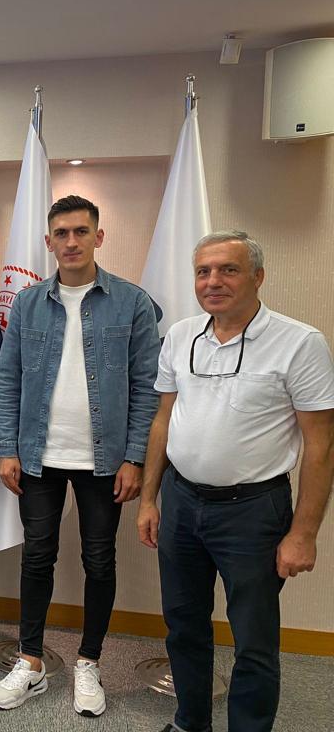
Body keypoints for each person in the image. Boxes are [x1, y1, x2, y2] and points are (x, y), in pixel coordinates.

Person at [137, 230, 334, 732]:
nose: (213, 281)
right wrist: (149, 498)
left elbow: (321, 445)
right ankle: (190, 721)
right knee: (183, 625)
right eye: (203, 271)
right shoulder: (180, 336)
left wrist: (304, 533)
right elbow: (163, 420)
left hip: (253, 511)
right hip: (181, 502)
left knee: (254, 640)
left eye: (228, 269)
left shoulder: (300, 343)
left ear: (257, 277)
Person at [0, 195, 161, 717]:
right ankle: (31, 661)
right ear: (48, 241)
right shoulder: (28, 304)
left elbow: (147, 387)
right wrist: (7, 447)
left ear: (98, 237)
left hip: (105, 460)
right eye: (61, 233)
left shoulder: (132, 302)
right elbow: (7, 378)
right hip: (38, 455)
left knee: (99, 559)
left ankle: (89, 662)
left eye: (81, 232)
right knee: (37, 556)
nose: (71, 242)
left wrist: (135, 457)